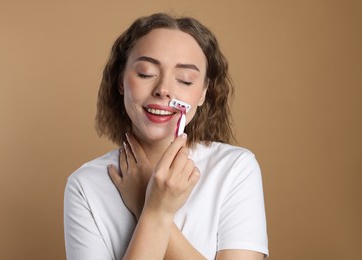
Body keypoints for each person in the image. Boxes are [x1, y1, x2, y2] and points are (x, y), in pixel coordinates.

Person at [64, 13, 268, 260]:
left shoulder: (235, 169)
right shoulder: (85, 185)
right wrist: (155, 212)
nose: (163, 90)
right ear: (120, 81)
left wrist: (148, 205)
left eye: (185, 79)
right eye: (145, 73)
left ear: (203, 92)